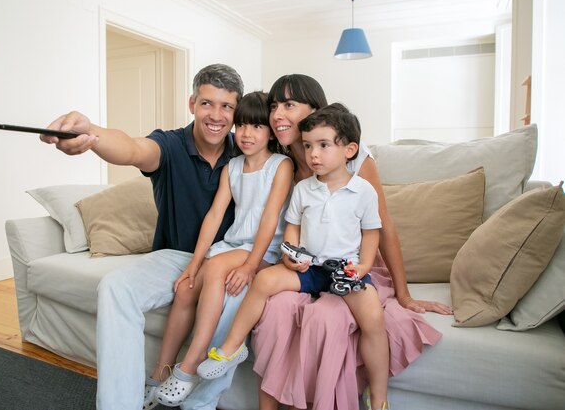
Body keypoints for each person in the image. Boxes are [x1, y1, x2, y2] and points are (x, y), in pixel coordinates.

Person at [41, 64, 251, 410]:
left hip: (227, 261)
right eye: (207, 104)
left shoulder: (246, 151)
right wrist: (90, 132)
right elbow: (131, 149)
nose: (216, 115)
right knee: (114, 287)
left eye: (226, 106)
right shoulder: (169, 145)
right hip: (174, 257)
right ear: (192, 104)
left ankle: (193, 397)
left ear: (237, 110)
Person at [250, 74, 452, 410]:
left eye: (289, 105)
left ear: (316, 111)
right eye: (273, 106)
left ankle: (370, 396)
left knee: (338, 317)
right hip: (307, 264)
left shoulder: (353, 160)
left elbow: (381, 227)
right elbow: (282, 225)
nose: (277, 115)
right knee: (276, 309)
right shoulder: (279, 162)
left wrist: (404, 294)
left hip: (352, 262)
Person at [197, 103, 391, 409]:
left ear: (350, 150)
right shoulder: (303, 189)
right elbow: (291, 230)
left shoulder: (363, 191)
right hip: (310, 268)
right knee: (263, 280)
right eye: (309, 146)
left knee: (373, 320)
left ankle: (379, 397)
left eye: (324, 146)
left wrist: (363, 265)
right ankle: (232, 347)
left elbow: (371, 234)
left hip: (345, 271)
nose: (313, 154)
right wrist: (290, 256)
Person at [146, 91, 293, 408]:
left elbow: (270, 219)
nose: (246, 134)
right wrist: (194, 264)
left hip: (264, 251)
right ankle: (159, 373)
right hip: (234, 245)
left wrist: (251, 266)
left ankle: (192, 363)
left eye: (256, 126)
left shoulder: (281, 166)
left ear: (270, 131)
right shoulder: (232, 167)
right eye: (240, 125)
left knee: (216, 269)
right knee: (186, 290)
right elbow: (214, 217)